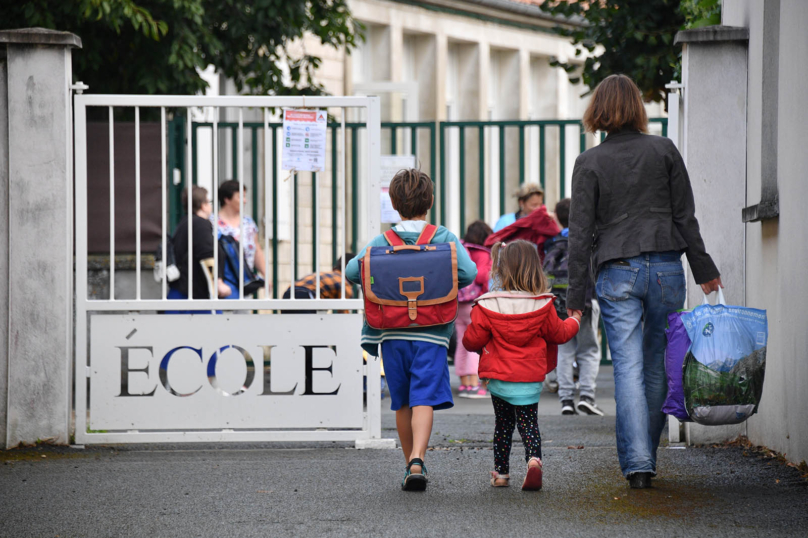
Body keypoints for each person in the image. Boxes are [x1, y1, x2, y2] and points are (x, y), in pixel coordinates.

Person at [567, 74, 722, 489]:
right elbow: (684, 217)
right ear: (637, 107)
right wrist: (704, 270)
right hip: (668, 268)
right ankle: (645, 457)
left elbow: (579, 235)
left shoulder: (590, 163)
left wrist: (575, 297)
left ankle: (638, 466)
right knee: (657, 366)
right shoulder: (664, 150)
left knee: (628, 367)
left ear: (598, 111)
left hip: (618, 270)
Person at [345, 169, 477, 491]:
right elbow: (469, 272)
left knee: (401, 400)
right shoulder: (442, 237)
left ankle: (410, 465)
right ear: (429, 201)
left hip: (391, 332)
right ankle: (419, 457)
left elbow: (352, 270)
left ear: (393, 203)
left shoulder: (382, 241)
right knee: (424, 398)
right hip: (431, 331)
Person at [462, 240, 581, 490]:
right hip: (529, 377)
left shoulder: (487, 304)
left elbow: (472, 341)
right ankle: (534, 460)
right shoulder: (543, 304)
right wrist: (575, 319)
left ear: (501, 269)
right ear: (534, 268)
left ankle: (501, 474)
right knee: (529, 423)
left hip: (499, 377)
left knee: (503, 425)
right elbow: (559, 334)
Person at [543, 199, 603, 416]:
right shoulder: (590, 240)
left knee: (564, 351)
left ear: (557, 218)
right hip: (586, 302)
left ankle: (566, 400)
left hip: (559, 304)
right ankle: (587, 396)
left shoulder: (553, 245)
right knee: (589, 349)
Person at [168, 186, 231, 307]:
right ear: (203, 205)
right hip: (195, 297)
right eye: (209, 202)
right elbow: (207, 255)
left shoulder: (185, 222)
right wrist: (218, 284)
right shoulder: (200, 224)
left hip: (182, 292)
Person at [455, 220, 493, 399]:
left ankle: (463, 383)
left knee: (462, 342)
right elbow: (482, 276)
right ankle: (473, 383)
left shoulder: (460, 249)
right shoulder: (482, 253)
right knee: (475, 342)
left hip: (457, 302)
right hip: (473, 303)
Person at [215, 180, 266, 278]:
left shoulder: (248, 222)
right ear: (227, 199)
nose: (245, 200)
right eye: (240, 197)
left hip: (245, 283)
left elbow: (257, 249)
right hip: (222, 283)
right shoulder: (212, 223)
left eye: (245, 196)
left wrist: (265, 274)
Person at [281, 254, 355, 314]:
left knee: (291, 327)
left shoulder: (328, 275)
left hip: (289, 293)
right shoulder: (343, 283)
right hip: (306, 295)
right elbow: (344, 313)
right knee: (308, 329)